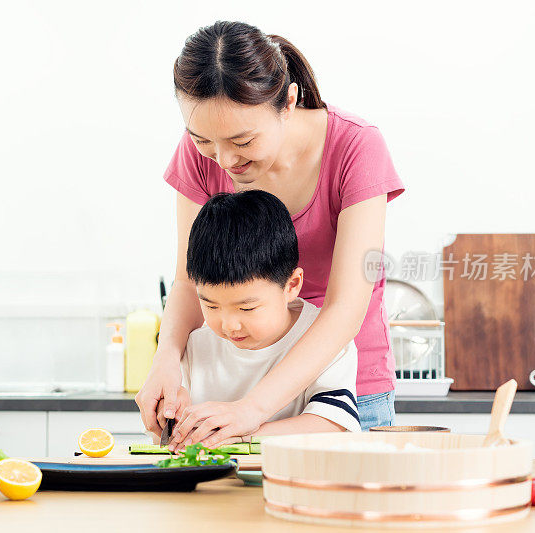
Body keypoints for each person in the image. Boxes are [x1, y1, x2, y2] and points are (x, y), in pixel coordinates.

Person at [137, 20, 405, 448]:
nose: (223, 160)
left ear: (288, 102)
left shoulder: (356, 147)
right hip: (240, 387)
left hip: (344, 389)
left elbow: (346, 306)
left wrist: (254, 409)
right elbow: (189, 280)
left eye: (242, 140)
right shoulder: (200, 155)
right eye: (203, 140)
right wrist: (165, 359)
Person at [156, 190, 360, 451]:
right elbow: (167, 434)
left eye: (247, 308)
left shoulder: (325, 337)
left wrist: (239, 437)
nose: (229, 325)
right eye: (210, 305)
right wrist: (170, 416)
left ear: (292, 285)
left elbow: (333, 425)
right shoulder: (194, 341)